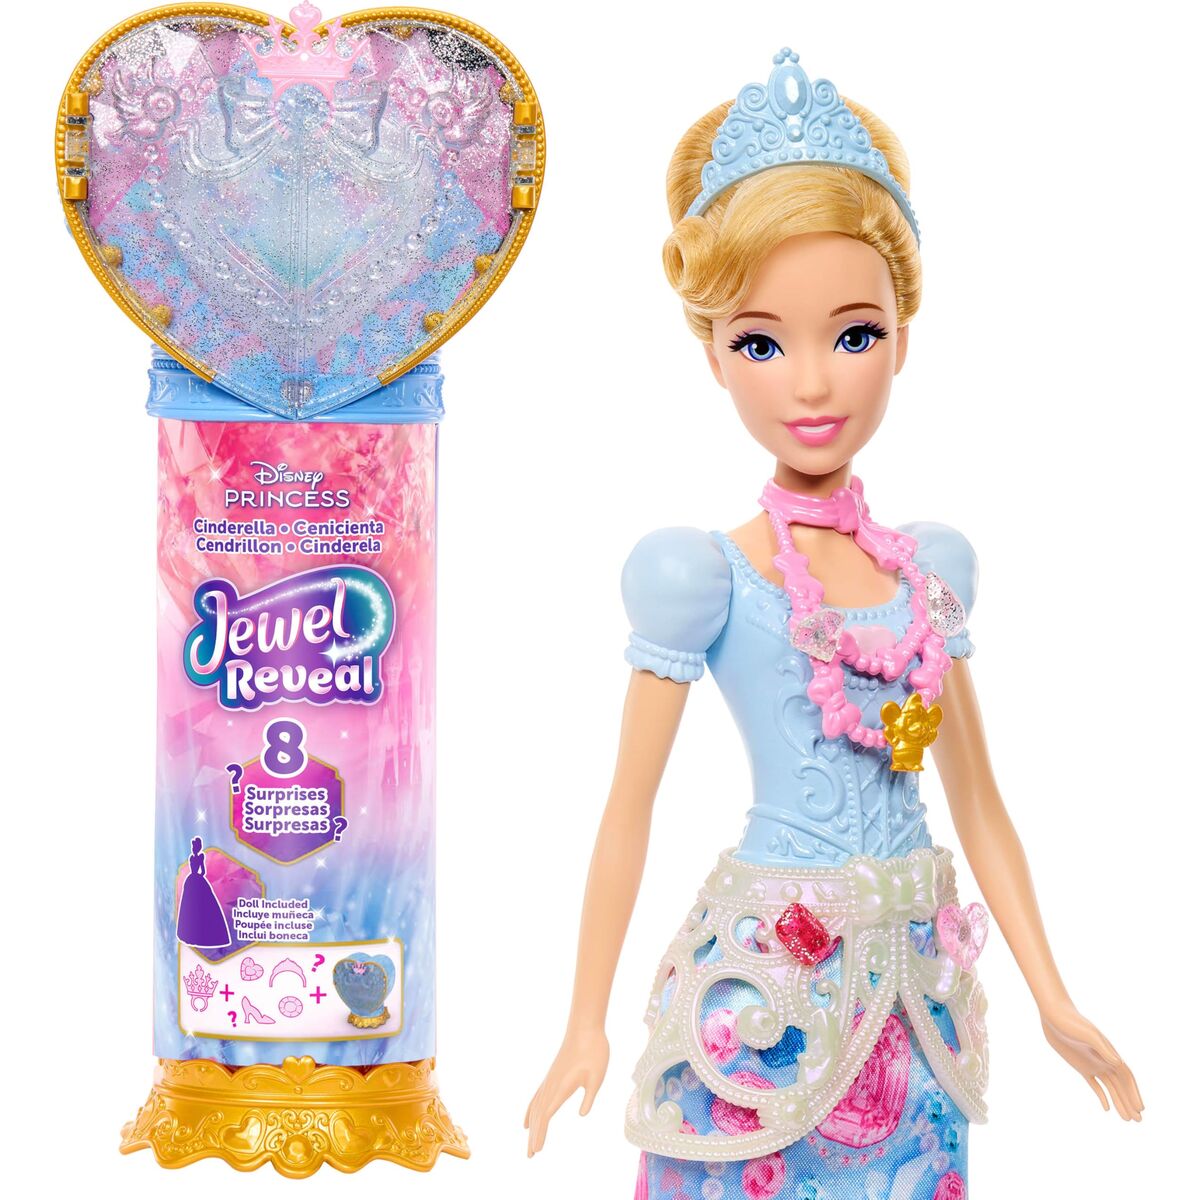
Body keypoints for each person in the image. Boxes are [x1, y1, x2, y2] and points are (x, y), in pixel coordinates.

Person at [525, 48, 1142, 1199]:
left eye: (854, 334)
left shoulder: (931, 572)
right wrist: (582, 1024)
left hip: (917, 1000)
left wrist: (1054, 997)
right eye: (760, 343)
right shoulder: (699, 575)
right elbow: (626, 810)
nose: (811, 384)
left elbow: (980, 803)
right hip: (763, 1001)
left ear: (904, 335)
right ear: (713, 357)